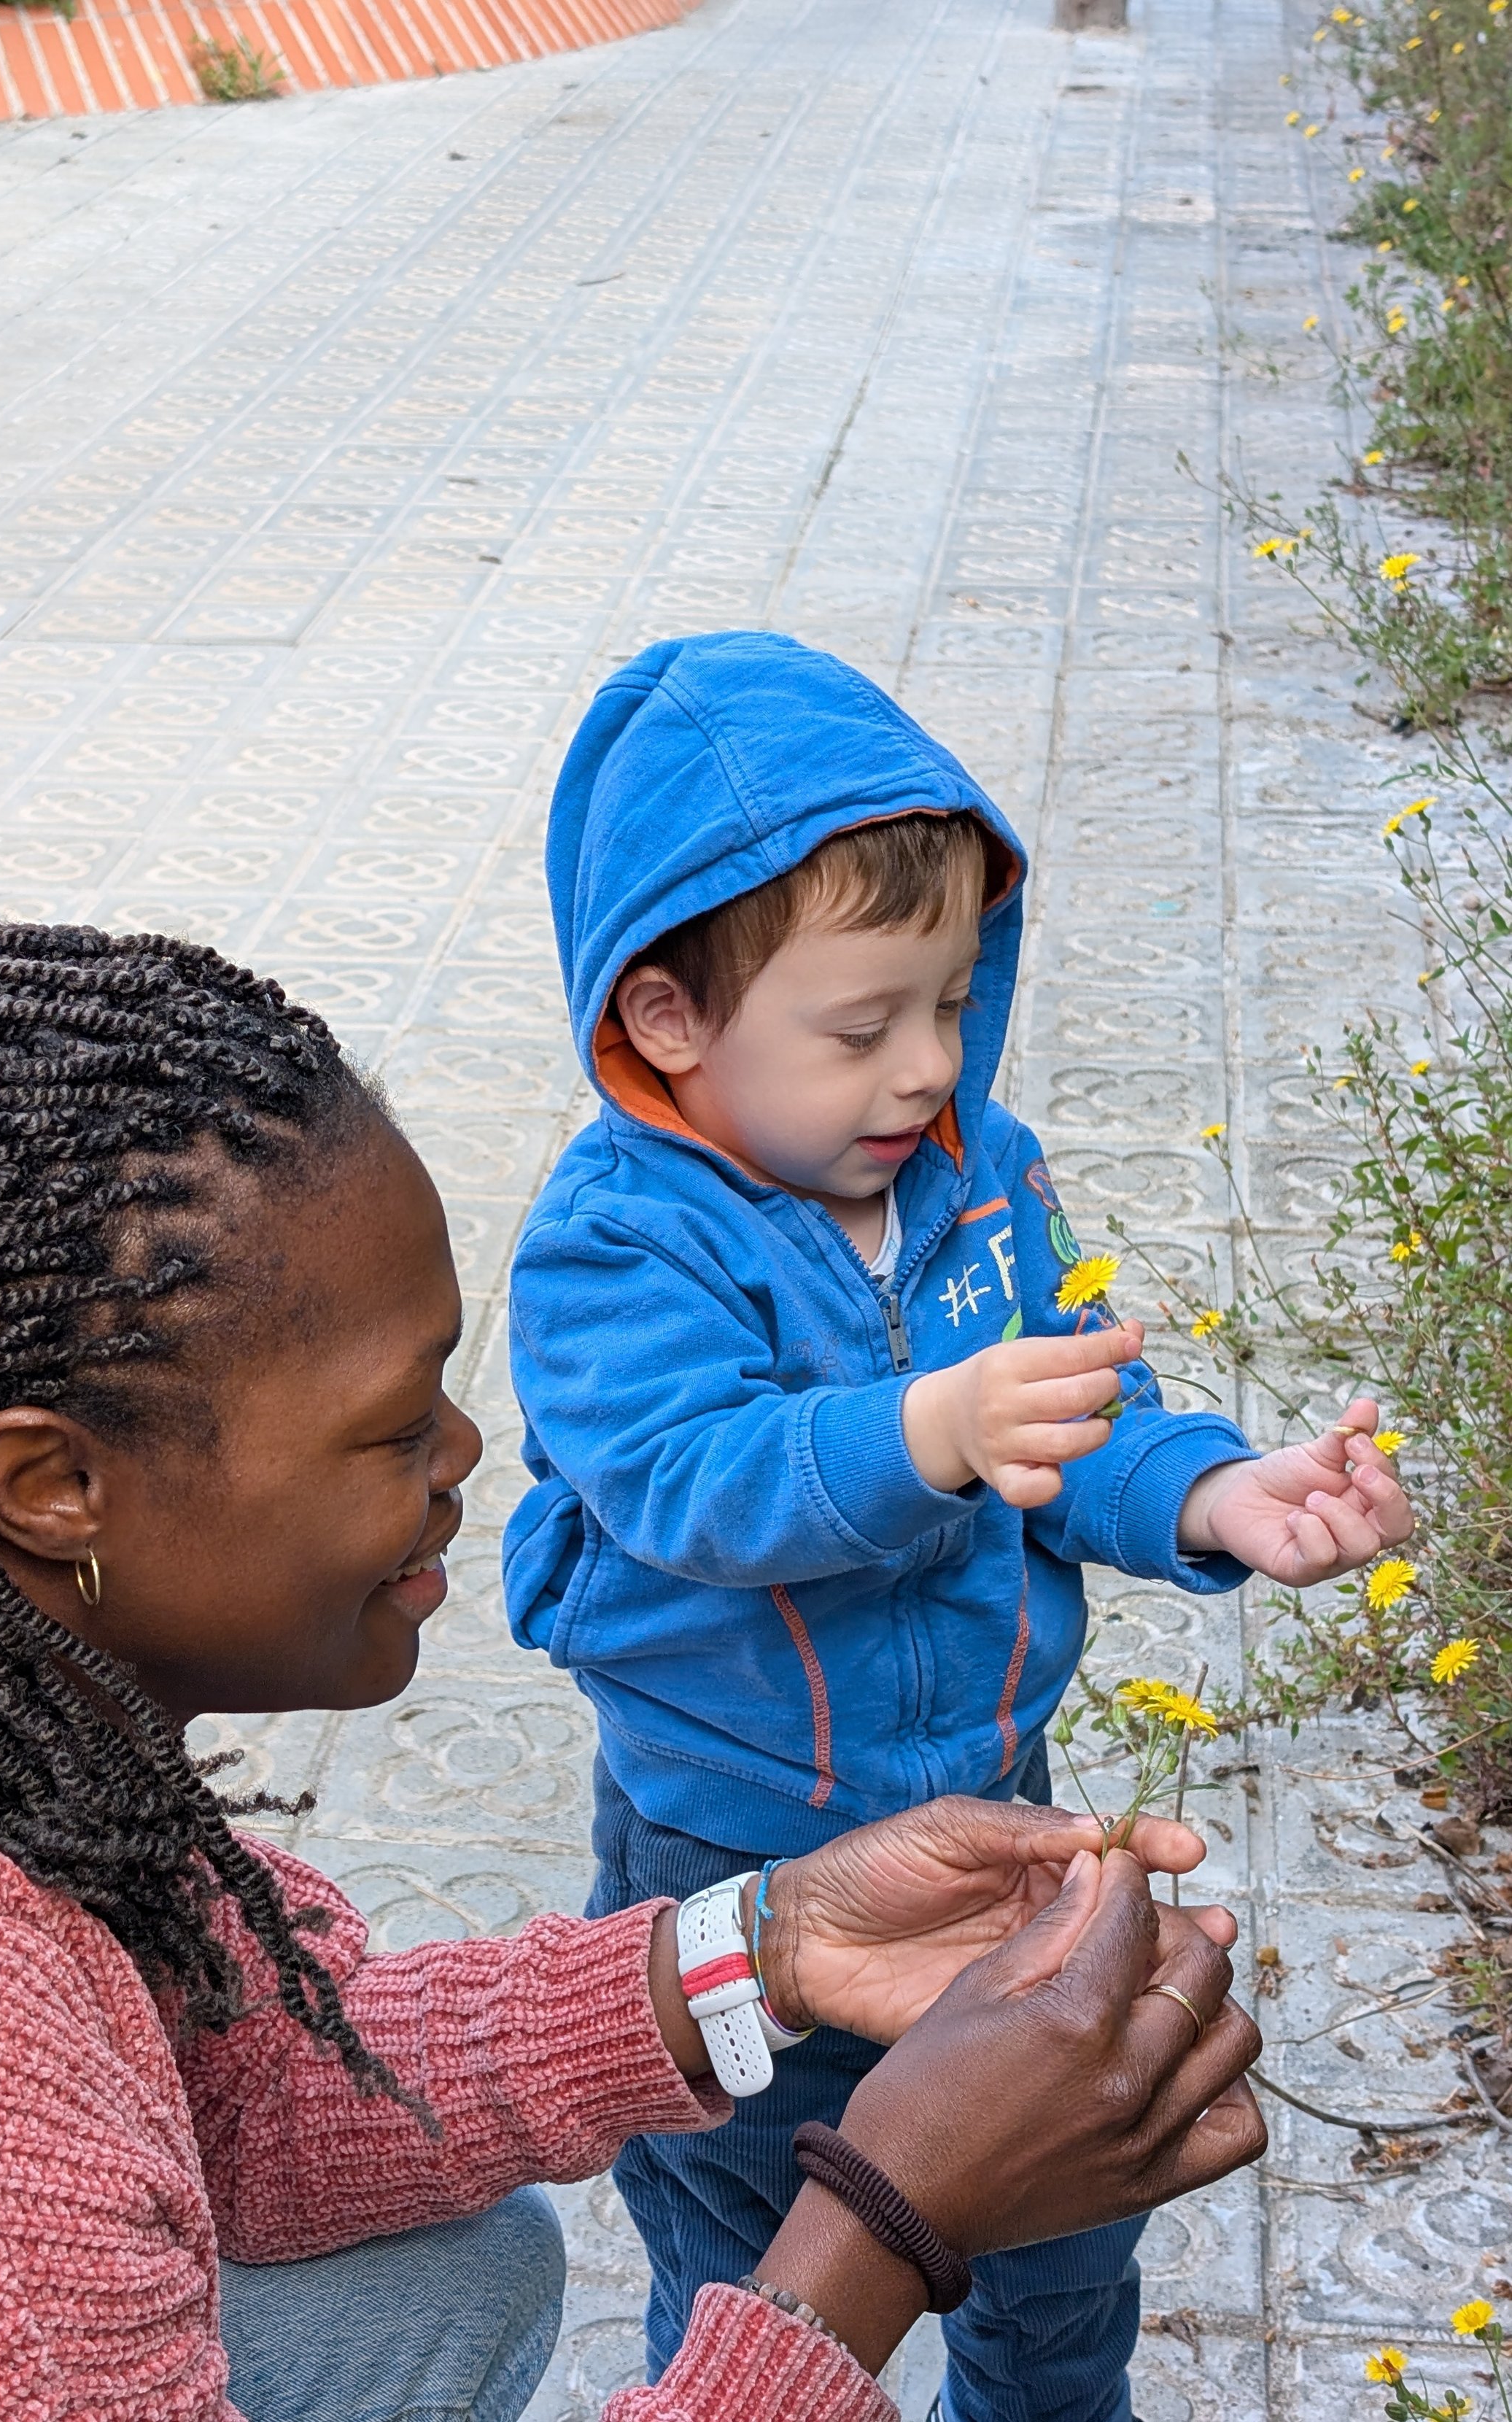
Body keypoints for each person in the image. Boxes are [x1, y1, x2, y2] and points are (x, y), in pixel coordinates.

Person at [0, 925, 1265, 2422]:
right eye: (390, 1428)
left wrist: (770, 1945)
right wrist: (882, 2220)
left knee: (444, 2269)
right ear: (49, 1485)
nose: (463, 1456)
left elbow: (247, 2094)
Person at [503, 632, 1412, 2420]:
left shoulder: (973, 1169)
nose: (924, 1063)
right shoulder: (615, 1240)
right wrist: (919, 1427)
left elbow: (1079, 1423)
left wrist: (1219, 1494)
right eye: (858, 1027)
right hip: (728, 1855)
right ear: (666, 1015)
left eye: (949, 995)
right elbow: (683, 1480)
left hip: (1004, 1814)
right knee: (753, 2231)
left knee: (1062, 2212)